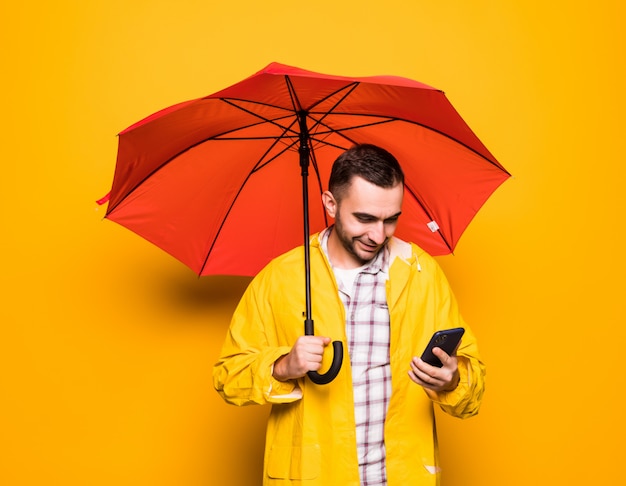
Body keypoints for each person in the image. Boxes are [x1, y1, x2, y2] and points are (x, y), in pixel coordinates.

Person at [213, 144, 486, 486]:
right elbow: (228, 376)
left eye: (391, 220)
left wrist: (454, 379)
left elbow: (472, 386)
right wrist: (283, 367)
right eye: (365, 218)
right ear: (331, 204)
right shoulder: (281, 277)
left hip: (398, 477)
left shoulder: (421, 274)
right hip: (313, 477)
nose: (377, 235)